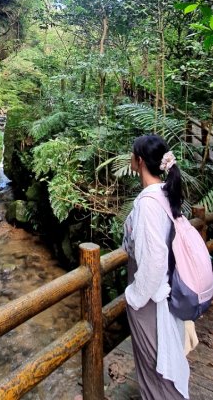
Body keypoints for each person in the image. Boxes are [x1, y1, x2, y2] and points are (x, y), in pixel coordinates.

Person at [122, 134, 190, 399]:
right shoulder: (165, 194)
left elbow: (153, 260)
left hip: (150, 298)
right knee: (163, 357)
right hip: (164, 292)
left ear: (139, 161)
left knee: (154, 368)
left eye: (132, 155)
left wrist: (134, 297)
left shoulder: (149, 203)